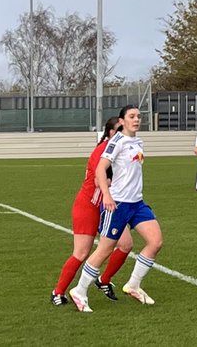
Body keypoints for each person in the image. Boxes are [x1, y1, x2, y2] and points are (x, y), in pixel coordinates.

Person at [68, 105, 165, 311]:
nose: (136, 119)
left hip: (137, 203)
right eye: (132, 116)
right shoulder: (116, 142)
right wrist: (107, 196)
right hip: (118, 204)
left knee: (155, 242)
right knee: (105, 249)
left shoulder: (138, 141)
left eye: (139, 116)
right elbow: (101, 169)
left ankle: (133, 285)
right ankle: (80, 290)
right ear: (122, 121)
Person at [51, 116, 134, 306]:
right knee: (81, 252)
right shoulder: (103, 150)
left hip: (108, 206)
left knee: (126, 244)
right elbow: (99, 180)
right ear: (111, 132)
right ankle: (58, 292)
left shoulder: (121, 149)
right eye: (119, 129)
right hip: (89, 206)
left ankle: (103, 280)